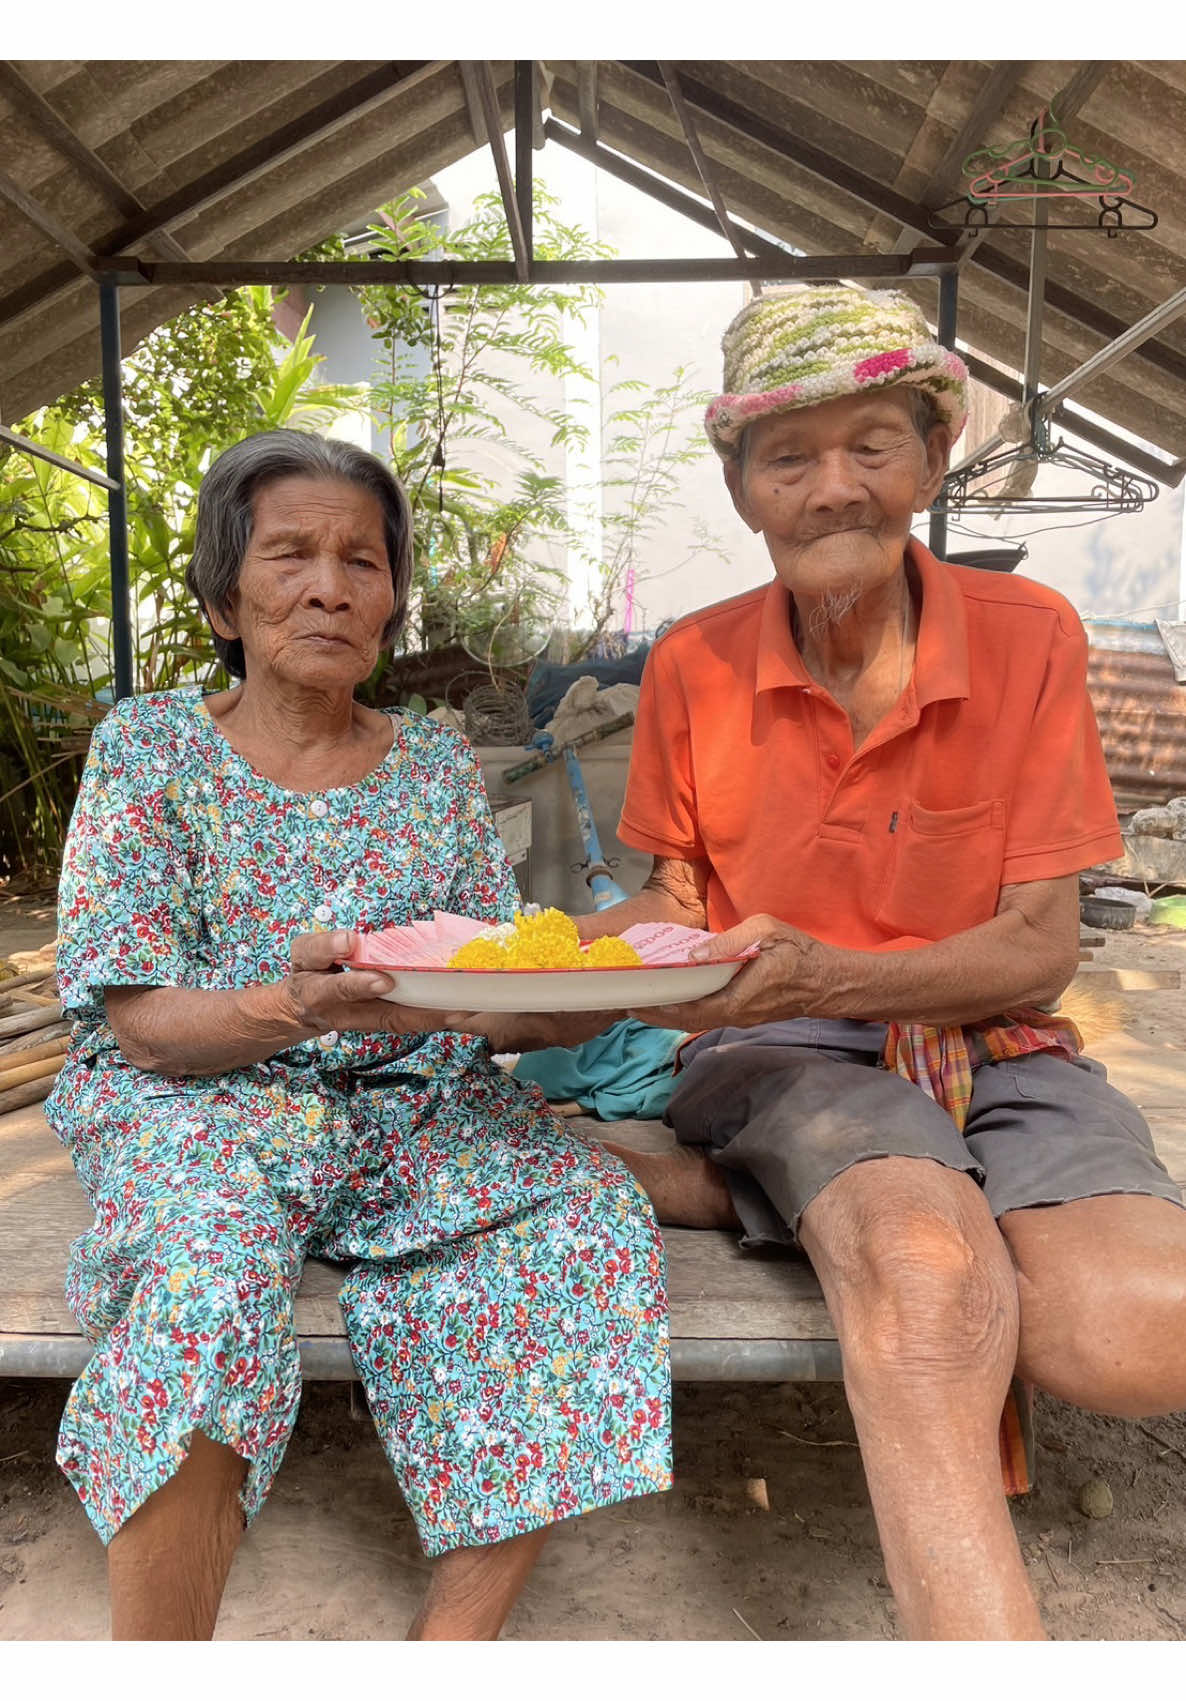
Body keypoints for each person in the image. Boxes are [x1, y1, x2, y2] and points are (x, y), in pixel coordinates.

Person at [580, 285, 1186, 1641]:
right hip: (779, 1052)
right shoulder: (690, 664)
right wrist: (514, 982)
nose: (832, 487)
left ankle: (714, 1187)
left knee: (1132, 1329)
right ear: (740, 488)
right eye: (787, 456)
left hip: (992, 1038)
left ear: (929, 457)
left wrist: (831, 976)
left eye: (870, 445)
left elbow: (1033, 949)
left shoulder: (1027, 639)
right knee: (925, 1267)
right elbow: (672, 898)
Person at [47, 429, 670, 1641]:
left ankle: (449, 1651)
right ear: (226, 596)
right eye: (289, 555)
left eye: (362, 560)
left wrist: (611, 980)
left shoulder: (432, 760)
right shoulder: (151, 748)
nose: (330, 586)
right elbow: (139, 1024)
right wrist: (295, 1005)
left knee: (580, 1214)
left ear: (389, 599)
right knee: (206, 1274)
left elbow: (475, 984)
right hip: (199, 1099)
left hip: (412, 1105)